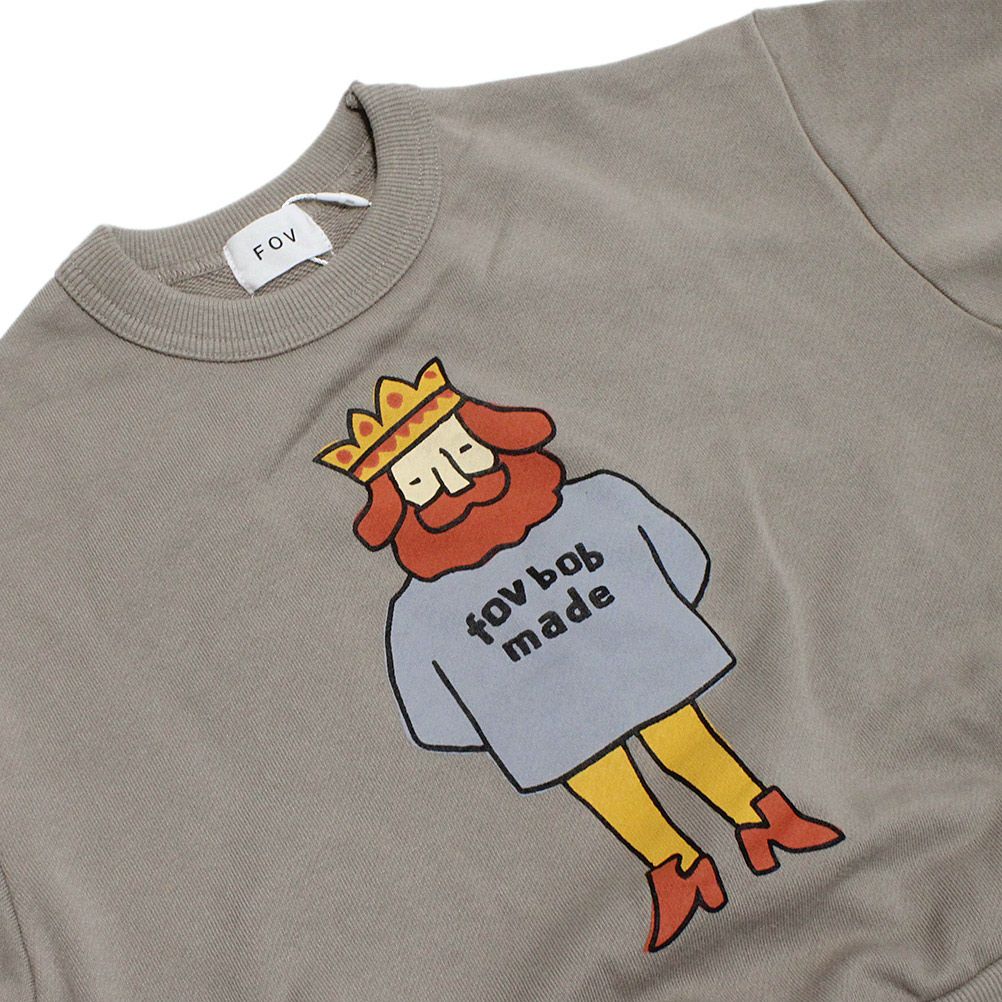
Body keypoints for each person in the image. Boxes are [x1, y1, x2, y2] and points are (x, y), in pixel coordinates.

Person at [315, 358, 843, 951]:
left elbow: (677, 555)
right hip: (564, 715)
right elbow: (429, 708)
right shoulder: (418, 612)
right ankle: (686, 862)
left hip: (628, 678)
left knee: (678, 739)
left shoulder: (595, 500)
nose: (451, 483)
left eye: (459, 454)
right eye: (421, 481)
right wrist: (509, 722)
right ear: (397, 503)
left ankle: (757, 822)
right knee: (609, 778)